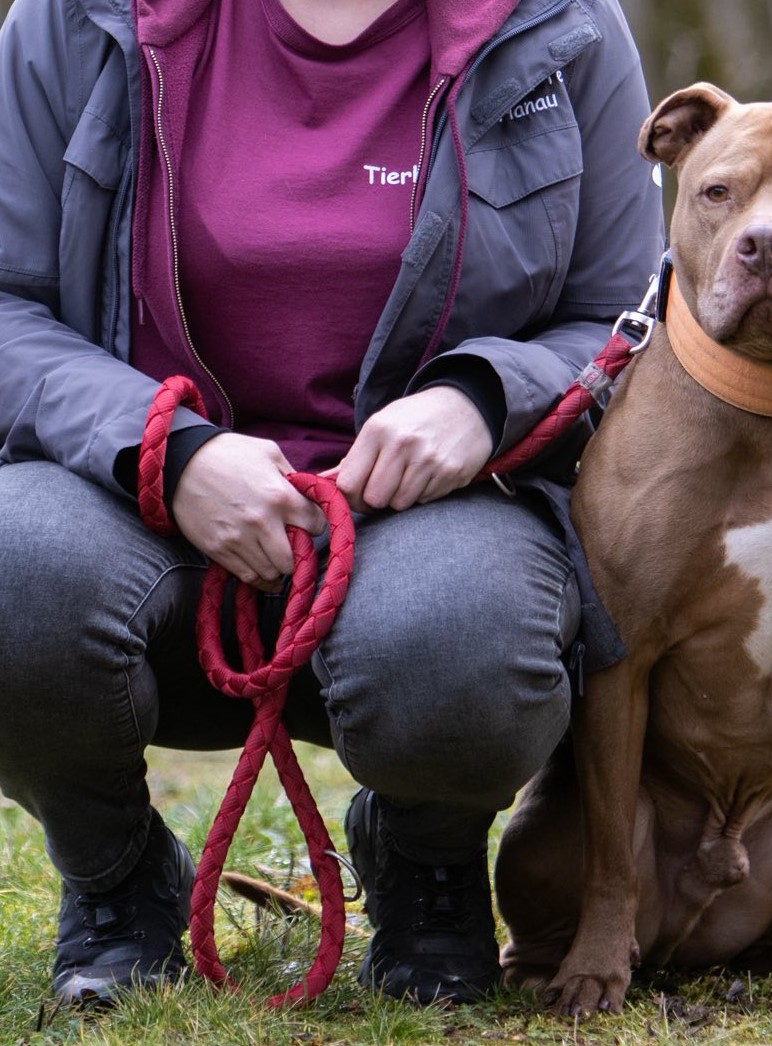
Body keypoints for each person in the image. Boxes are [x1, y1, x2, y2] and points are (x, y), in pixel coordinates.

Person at [0, 0, 663, 1008]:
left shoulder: (558, 22)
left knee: (465, 636)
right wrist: (168, 449)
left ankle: (423, 857)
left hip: (439, 509)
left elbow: (627, 306)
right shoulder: (75, 16)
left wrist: (482, 397)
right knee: (14, 570)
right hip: (126, 496)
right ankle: (115, 876)